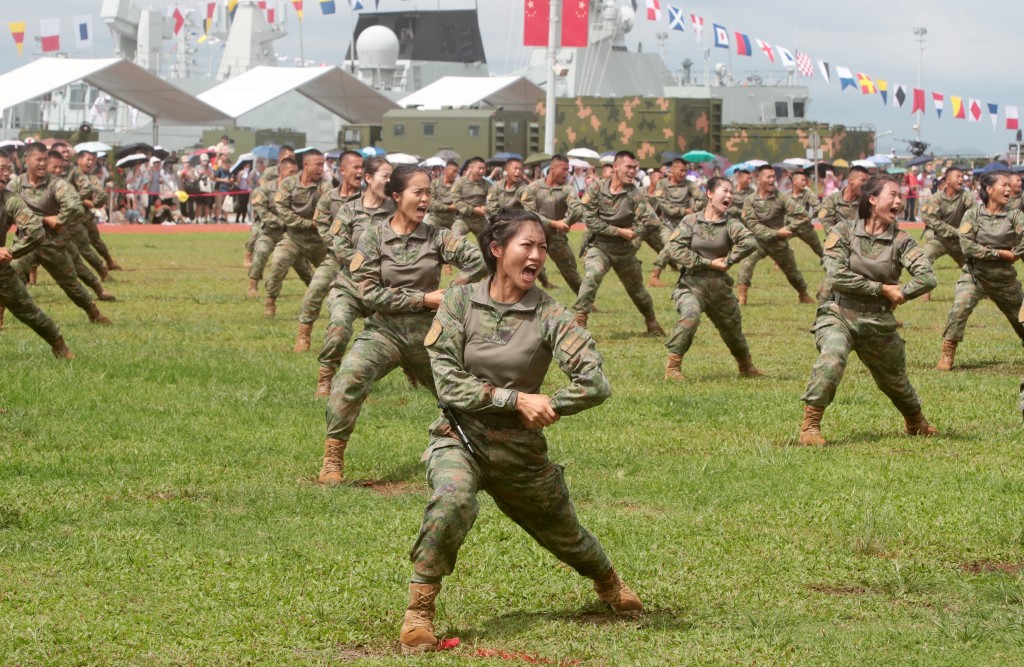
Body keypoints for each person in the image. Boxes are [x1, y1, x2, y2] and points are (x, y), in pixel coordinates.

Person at [399, 209, 642, 654]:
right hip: (459, 434)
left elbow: (595, 382)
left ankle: (608, 581)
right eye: (526, 246)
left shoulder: (550, 313)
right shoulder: (460, 301)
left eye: (542, 248)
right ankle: (419, 611)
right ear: (497, 250)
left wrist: (549, 405)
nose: (536, 256)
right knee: (452, 499)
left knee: (567, 536)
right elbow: (448, 380)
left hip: (520, 451)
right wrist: (515, 399)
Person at [319, 166, 486, 486]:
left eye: (428, 193)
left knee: (463, 393)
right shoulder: (374, 237)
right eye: (418, 192)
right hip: (385, 332)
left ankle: (466, 449)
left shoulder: (437, 235)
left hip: (430, 334)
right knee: (349, 379)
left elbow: (476, 261)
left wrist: (454, 290)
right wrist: (423, 298)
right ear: (397, 197)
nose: (425, 199)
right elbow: (368, 292)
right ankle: (333, 456)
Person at [798, 175, 938, 446]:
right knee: (833, 356)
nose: (899, 201)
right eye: (892, 195)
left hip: (878, 319)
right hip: (840, 311)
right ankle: (810, 426)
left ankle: (915, 421)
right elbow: (836, 275)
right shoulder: (844, 231)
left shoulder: (901, 241)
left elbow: (927, 277)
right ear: (872, 200)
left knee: (894, 380)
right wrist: (882, 289)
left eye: (901, 197)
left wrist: (902, 293)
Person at [664, 176, 761, 380]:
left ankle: (746, 366)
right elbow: (676, 250)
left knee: (732, 329)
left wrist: (728, 259)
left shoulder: (730, 224)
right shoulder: (691, 221)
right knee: (689, 317)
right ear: (709, 194)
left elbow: (750, 242)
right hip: (691, 284)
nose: (729, 195)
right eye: (724, 191)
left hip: (719, 287)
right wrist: (707, 262)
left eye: (731, 192)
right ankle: (673, 367)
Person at [313, 157, 395, 396]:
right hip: (350, 284)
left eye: (392, 176)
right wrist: (367, 264)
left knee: (406, 333)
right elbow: (340, 247)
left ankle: (413, 369)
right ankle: (326, 378)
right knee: (339, 326)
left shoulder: (396, 210)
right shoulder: (349, 209)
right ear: (369, 179)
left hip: (383, 288)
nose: (390, 181)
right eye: (385, 176)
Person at [8, 143, 112, 324]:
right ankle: (0, 319)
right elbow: (7, 209)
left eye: (44, 160)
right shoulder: (16, 184)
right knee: (11, 277)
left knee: (71, 284)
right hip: (25, 242)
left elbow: (74, 207)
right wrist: (45, 219)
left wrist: (59, 220)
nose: (42, 164)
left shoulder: (56, 184)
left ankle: (93, 312)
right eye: (38, 159)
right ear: (27, 160)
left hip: (52, 243)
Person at [936, 171, 1024, 370]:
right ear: (989, 189)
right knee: (959, 308)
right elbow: (967, 246)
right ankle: (948, 353)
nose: (1009, 189)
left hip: (1004, 278)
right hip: (974, 275)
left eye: (1010, 186)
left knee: (1021, 319)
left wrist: (1010, 254)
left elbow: (1022, 246)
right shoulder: (973, 214)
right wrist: (1001, 253)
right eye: (1004, 185)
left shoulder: (1015, 215)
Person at [572, 150, 665, 335]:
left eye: (635, 168)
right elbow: (589, 219)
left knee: (637, 291)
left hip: (624, 250)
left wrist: (635, 233)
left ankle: (652, 323)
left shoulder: (634, 194)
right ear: (615, 167)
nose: (633, 171)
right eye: (628, 167)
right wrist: (619, 231)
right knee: (592, 276)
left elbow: (653, 222)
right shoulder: (597, 188)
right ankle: (579, 323)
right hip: (599, 246)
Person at [0, 151, 74, 358]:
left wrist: (11, 252)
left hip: (1, 271)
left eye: (8, 169)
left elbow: (35, 230)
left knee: (29, 310)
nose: (5, 175)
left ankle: (60, 346)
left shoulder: (10, 200)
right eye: (0, 169)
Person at [292, 151, 364, 350]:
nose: (359, 172)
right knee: (315, 289)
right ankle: (303, 335)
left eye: (361, 167)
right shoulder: (328, 198)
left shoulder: (369, 199)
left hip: (366, 260)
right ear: (342, 170)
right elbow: (321, 224)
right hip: (335, 259)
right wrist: (339, 247)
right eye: (355, 167)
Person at [263, 150, 333, 318]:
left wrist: (319, 221)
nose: (321, 169)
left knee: (332, 277)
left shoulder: (325, 185)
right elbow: (282, 210)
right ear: (306, 165)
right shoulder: (289, 184)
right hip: (294, 238)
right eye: (317, 164)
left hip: (318, 240)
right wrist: (308, 223)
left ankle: (336, 307)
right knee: (278, 263)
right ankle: (270, 302)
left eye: (322, 165)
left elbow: (328, 207)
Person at [735, 164, 815, 305]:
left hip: (778, 243)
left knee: (792, 272)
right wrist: (777, 232)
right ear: (759, 180)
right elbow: (753, 225)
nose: (772, 180)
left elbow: (803, 215)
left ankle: (803, 295)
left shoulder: (781, 198)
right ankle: (742, 298)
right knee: (746, 265)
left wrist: (789, 228)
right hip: (758, 241)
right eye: (769, 177)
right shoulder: (750, 200)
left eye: (774, 177)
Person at [246, 158, 314, 298]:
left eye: (296, 172)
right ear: (281, 171)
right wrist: (279, 222)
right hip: (271, 232)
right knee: (261, 252)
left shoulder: (299, 190)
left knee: (303, 267)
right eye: (291, 172)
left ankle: (316, 290)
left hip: (291, 236)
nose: (294, 175)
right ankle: (252, 286)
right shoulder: (266, 188)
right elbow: (260, 208)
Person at [520, 154, 584, 295]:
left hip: (557, 238)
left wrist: (566, 223)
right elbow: (531, 213)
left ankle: (585, 303)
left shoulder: (567, 189)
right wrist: (554, 223)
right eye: (564, 169)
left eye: (568, 170)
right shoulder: (533, 187)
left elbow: (578, 209)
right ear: (553, 169)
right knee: (525, 266)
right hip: (534, 236)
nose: (567, 173)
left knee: (570, 271)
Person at [648, 158, 706, 287]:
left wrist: (694, 211)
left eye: (685, 171)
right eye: (681, 170)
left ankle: (693, 278)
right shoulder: (662, 184)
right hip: (667, 224)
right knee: (671, 244)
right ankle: (654, 275)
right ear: (672, 170)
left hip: (686, 224)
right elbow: (665, 206)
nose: (683, 173)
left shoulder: (689, 185)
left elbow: (702, 199)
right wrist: (686, 211)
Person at [451, 157, 489, 239]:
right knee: (455, 236)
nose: (482, 171)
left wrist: (485, 208)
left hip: (480, 221)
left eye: (484, 168)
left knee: (489, 241)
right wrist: (473, 210)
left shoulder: (487, 184)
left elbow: (494, 200)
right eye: (479, 168)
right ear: (471, 168)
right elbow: (456, 201)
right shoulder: (460, 182)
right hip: (463, 219)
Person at [788, 170, 824, 257]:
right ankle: (779, 263)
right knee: (779, 243)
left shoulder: (807, 193)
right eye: (802, 180)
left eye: (805, 180)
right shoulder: (786, 195)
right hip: (790, 226)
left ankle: (830, 265)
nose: (804, 183)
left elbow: (818, 207)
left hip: (804, 226)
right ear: (794, 182)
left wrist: (810, 217)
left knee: (818, 248)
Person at [427, 160, 459, 230]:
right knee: (428, 229)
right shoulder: (434, 183)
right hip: (436, 218)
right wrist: (448, 207)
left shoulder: (458, 185)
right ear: (445, 170)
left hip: (451, 221)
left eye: (457, 172)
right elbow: (431, 202)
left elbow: (458, 202)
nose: (456, 174)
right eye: (454, 171)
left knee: (457, 235)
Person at [212, 156, 233, 223]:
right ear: (224, 164)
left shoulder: (229, 172)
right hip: (219, 189)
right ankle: (217, 218)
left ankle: (225, 218)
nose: (228, 167)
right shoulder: (219, 170)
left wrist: (231, 181)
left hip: (226, 189)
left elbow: (230, 180)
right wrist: (223, 180)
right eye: (227, 166)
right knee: (218, 204)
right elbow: (214, 178)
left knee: (226, 205)